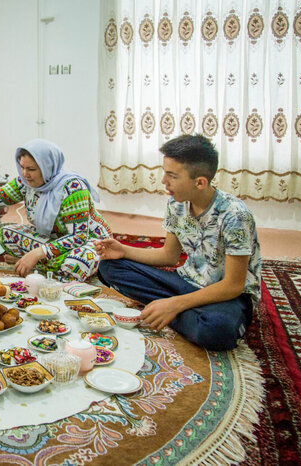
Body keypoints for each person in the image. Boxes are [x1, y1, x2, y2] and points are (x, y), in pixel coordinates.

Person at [95, 134, 261, 351]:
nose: (164, 181)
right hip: (185, 283)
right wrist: (123, 250)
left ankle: (168, 309)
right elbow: (169, 256)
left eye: (172, 175)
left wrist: (175, 304)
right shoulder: (176, 203)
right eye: (165, 173)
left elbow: (233, 285)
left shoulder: (235, 215)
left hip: (225, 296)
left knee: (216, 330)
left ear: (200, 182)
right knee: (109, 267)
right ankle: (178, 312)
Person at [0, 139, 111, 280]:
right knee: (5, 233)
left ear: (47, 167)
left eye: (31, 169)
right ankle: (46, 265)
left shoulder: (72, 187)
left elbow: (78, 237)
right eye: (22, 167)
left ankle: (42, 266)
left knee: (76, 264)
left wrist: (38, 253)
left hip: (89, 242)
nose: (24, 174)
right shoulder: (26, 183)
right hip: (54, 240)